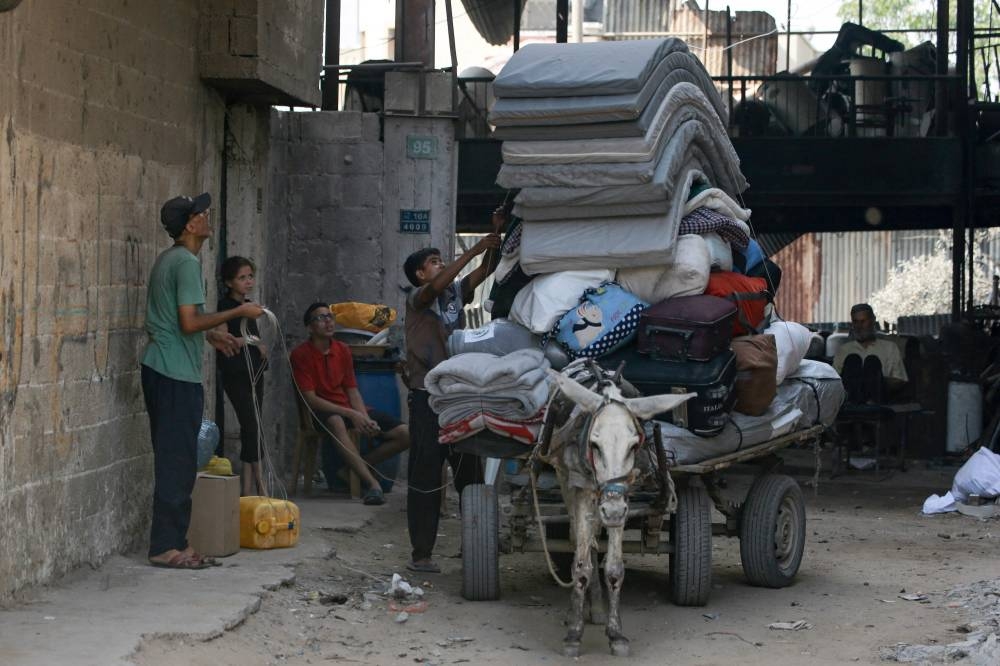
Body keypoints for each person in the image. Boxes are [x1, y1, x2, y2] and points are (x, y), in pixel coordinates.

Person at [141, 192, 264, 570]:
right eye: (202, 213)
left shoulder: (174, 260)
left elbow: (181, 321)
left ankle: (174, 541)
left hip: (164, 367)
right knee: (177, 461)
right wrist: (239, 312)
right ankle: (166, 546)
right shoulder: (186, 263)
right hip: (174, 373)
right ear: (190, 225)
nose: (208, 216)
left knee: (176, 458)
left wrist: (214, 336)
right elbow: (188, 322)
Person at [403, 211, 504, 574]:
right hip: (427, 396)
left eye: (440, 262)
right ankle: (422, 553)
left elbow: (485, 271)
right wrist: (474, 247)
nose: (441, 266)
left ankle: (475, 543)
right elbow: (441, 283)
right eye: (434, 263)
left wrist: (493, 234)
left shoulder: (453, 295)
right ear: (420, 274)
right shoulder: (419, 297)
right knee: (426, 474)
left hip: (457, 395)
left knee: (469, 471)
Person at [290, 303, 410, 506]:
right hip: (320, 412)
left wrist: (364, 417)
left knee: (407, 434)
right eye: (320, 318)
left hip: (347, 408)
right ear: (310, 327)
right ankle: (373, 485)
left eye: (329, 316)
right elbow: (311, 399)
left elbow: (352, 391)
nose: (328, 321)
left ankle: (351, 469)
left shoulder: (342, 350)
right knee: (337, 420)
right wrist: (351, 414)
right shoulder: (301, 355)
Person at [218, 256, 268, 496]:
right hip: (236, 374)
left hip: (255, 371)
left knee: (254, 426)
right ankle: (261, 485)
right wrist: (253, 341)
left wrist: (258, 344)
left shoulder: (251, 306)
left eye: (250, 276)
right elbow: (223, 340)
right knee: (250, 424)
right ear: (229, 282)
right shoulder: (225, 307)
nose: (248, 281)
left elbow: (254, 340)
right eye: (242, 278)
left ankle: (247, 491)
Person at [833, 303, 908, 404]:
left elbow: (899, 380)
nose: (859, 326)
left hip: (880, 403)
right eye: (856, 322)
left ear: (872, 321)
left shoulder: (890, 347)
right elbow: (834, 381)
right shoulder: (843, 350)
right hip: (849, 403)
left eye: (863, 321)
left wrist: (875, 382)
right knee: (853, 360)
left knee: (872, 362)